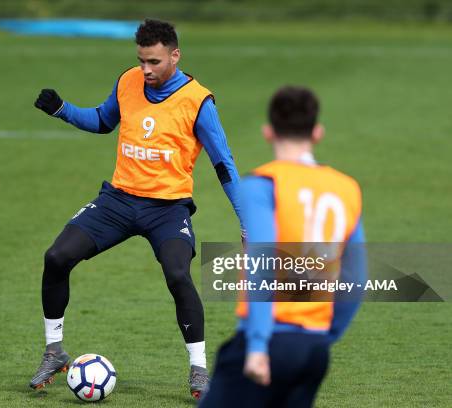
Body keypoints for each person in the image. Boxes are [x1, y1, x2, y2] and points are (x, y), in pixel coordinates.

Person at [30, 19, 244, 399]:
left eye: (155, 62)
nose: (146, 70)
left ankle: (198, 370)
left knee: (179, 274)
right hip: (118, 200)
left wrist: (247, 222)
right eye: (142, 61)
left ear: (175, 56)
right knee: (57, 257)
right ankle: (54, 350)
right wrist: (62, 109)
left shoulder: (198, 102)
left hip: (167, 209)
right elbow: (101, 120)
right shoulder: (129, 80)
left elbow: (224, 165)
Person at [200, 86, 367, 407]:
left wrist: (259, 346)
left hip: (266, 342)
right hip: (314, 349)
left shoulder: (261, 185)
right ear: (317, 133)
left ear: (267, 132)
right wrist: (324, 337)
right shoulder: (347, 189)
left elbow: (262, 264)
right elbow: (356, 279)